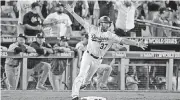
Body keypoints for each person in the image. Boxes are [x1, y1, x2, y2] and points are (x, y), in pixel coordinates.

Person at [65, 4, 148, 100]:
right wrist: (72, 12)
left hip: (98, 60)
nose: (108, 25)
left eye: (109, 23)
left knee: (87, 80)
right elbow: (81, 21)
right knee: (81, 74)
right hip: (88, 55)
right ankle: (75, 95)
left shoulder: (110, 35)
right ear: (100, 23)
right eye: (106, 23)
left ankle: (85, 83)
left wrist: (137, 43)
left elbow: (123, 40)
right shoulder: (92, 28)